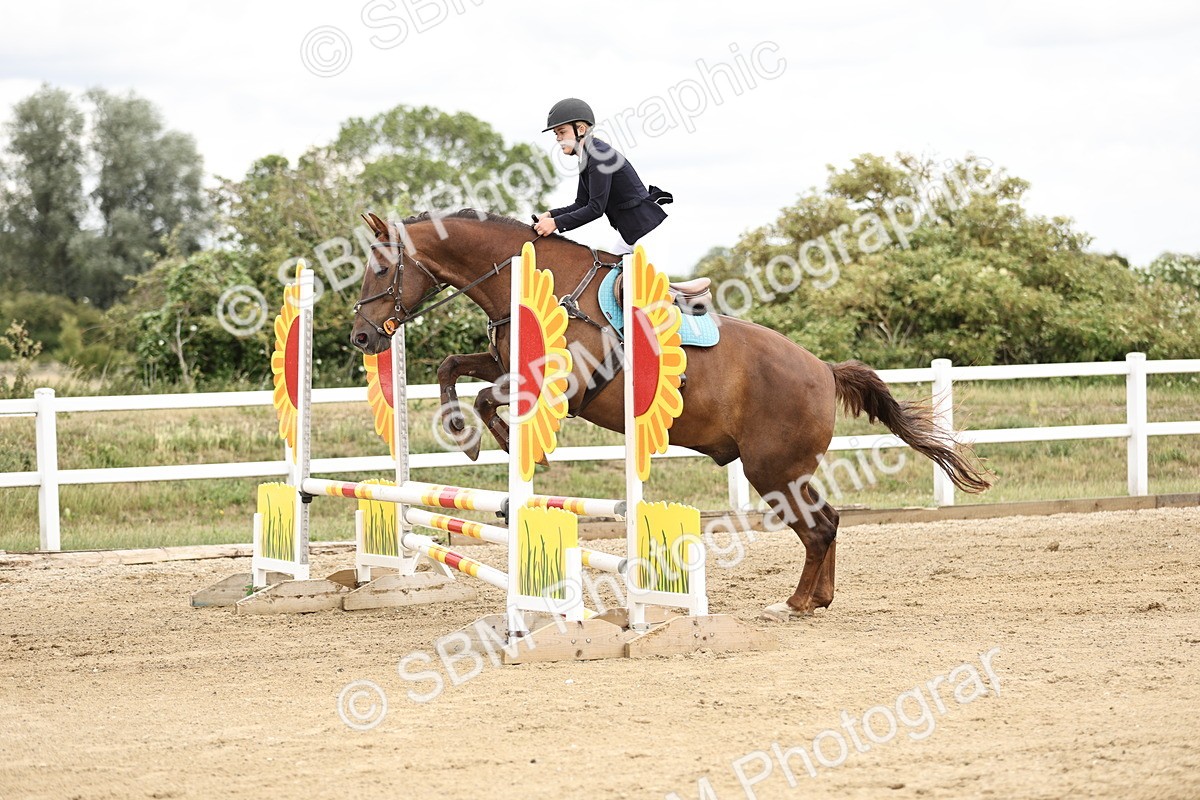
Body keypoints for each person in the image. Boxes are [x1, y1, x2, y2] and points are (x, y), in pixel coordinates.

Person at [534, 98, 672, 257]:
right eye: (556, 133)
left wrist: (555, 224)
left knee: (640, 282)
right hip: (630, 235)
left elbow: (595, 208)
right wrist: (550, 215)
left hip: (649, 233)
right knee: (606, 280)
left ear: (580, 129)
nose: (558, 138)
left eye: (562, 131)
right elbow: (581, 203)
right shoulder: (587, 156)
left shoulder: (599, 156)